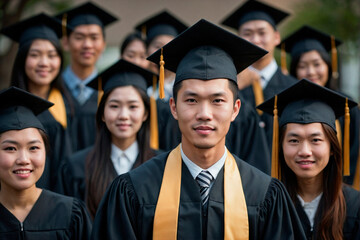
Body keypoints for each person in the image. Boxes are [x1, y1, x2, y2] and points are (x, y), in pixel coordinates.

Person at [91, 19, 306, 240]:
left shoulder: (263, 194)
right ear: (173, 107)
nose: (204, 113)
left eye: (217, 100)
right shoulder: (134, 190)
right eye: (192, 100)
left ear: (235, 109)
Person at [258, 79, 360, 240]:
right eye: (294, 140)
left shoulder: (355, 206)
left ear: (332, 148)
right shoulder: (264, 206)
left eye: (316, 140)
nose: (305, 151)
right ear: (280, 146)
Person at [58, 59, 158, 218]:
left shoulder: (162, 166)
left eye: (133, 107)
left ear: (145, 113)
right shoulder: (76, 167)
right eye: (114, 106)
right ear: (102, 113)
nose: (123, 115)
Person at [0, 87, 92, 239]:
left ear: (46, 152)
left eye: (33, 148)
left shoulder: (70, 214)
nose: (23, 159)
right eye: (10, 148)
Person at [280, 25, 360, 187]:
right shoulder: (286, 105)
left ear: (329, 66)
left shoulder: (347, 105)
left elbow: (355, 149)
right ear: (294, 70)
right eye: (302, 66)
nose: (311, 72)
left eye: (317, 64)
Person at [1, 13, 73, 191]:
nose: (44, 62)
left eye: (51, 55)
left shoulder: (71, 107)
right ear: (23, 58)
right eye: (35, 55)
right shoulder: (5, 107)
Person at [221, 0, 298, 150]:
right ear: (238, 39)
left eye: (262, 33)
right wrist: (235, 85)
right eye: (247, 34)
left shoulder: (293, 87)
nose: (255, 40)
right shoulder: (228, 86)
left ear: (276, 37)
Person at [55, 2, 118, 151]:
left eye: (94, 38)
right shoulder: (52, 90)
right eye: (79, 37)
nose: (87, 45)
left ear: (103, 44)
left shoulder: (111, 91)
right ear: (65, 43)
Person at [135, 10, 188, 100]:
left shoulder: (184, 87)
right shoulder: (137, 86)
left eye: (170, 46)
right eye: (158, 46)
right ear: (146, 50)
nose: (163, 52)